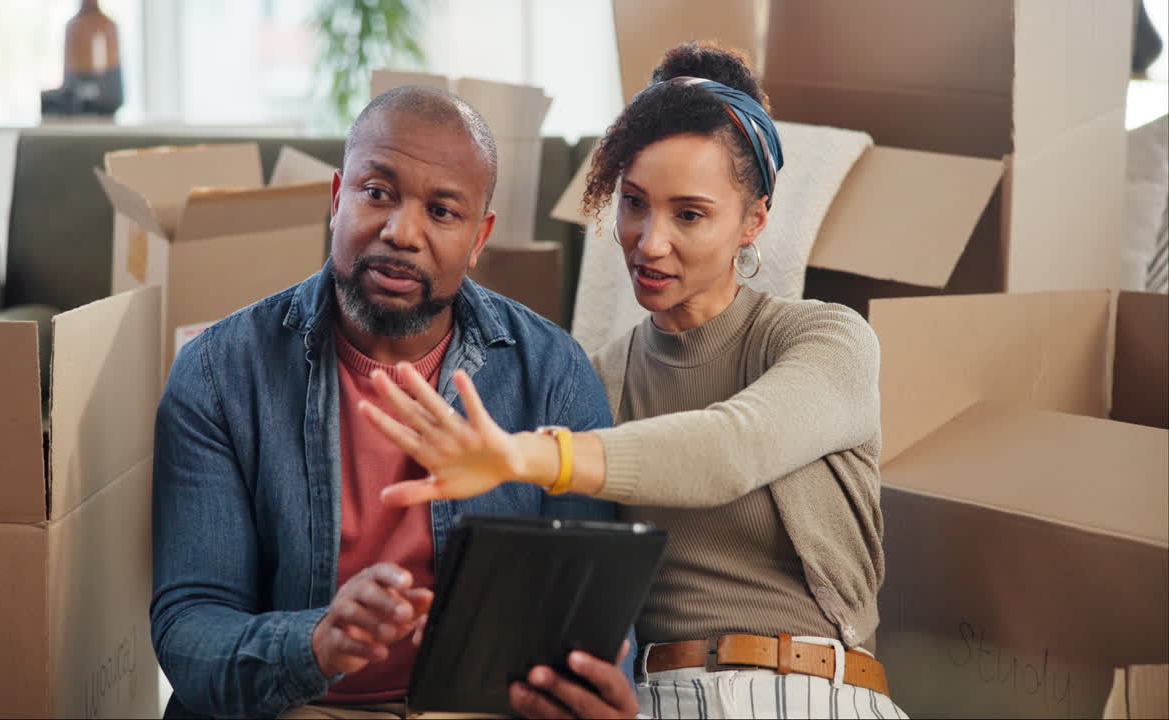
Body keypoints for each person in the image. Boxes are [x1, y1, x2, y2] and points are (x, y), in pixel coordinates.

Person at [360, 42, 907, 718]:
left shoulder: (826, 341)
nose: (649, 241)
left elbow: (732, 449)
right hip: (646, 700)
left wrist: (529, 454)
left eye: (690, 214)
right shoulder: (599, 376)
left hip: (807, 692)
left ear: (754, 220)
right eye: (635, 203)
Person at [150, 85, 639, 720]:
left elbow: (591, 612)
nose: (400, 231)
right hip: (293, 706)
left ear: (478, 237)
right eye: (377, 193)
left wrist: (597, 687)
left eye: (442, 211)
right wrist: (316, 643)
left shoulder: (552, 373)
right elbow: (190, 628)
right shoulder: (219, 371)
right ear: (337, 198)